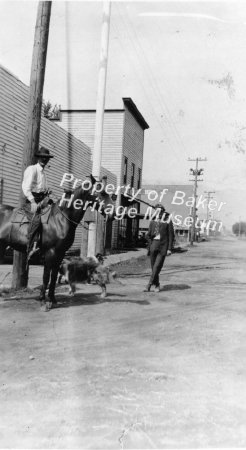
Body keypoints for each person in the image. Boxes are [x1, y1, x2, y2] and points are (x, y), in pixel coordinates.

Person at [22, 146, 54, 261]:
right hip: (30, 201)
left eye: (46, 158)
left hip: (41, 201)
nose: (44, 160)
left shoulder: (44, 173)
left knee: (52, 217)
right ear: (38, 158)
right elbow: (26, 188)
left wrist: (48, 194)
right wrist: (32, 201)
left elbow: (43, 189)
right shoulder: (32, 169)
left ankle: (43, 245)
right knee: (36, 220)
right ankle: (30, 247)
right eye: (42, 157)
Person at [144, 203, 174, 292]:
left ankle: (149, 285)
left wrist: (169, 248)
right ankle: (157, 284)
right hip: (154, 245)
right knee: (154, 268)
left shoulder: (167, 221)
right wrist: (150, 243)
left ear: (163, 212)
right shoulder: (152, 221)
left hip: (163, 246)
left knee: (157, 266)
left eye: (161, 211)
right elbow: (148, 235)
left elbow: (171, 235)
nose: (159, 213)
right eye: (157, 211)